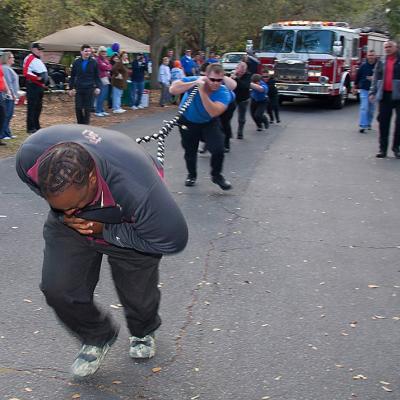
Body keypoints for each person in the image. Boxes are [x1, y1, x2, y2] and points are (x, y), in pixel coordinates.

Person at [15, 124, 188, 379]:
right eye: (61, 205)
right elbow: (60, 201)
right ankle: (97, 335)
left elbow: (172, 241)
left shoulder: (139, 190)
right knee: (58, 288)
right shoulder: (29, 157)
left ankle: (143, 330)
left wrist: (106, 230)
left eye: (75, 205)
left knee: (138, 295)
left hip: (128, 222)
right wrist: (65, 216)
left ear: (92, 179)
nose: (72, 211)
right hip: (72, 228)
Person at [169, 63, 237, 190]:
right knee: (190, 150)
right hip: (188, 121)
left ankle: (216, 176)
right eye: (212, 79)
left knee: (218, 149)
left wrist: (202, 92)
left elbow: (213, 111)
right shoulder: (196, 80)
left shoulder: (223, 92)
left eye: (219, 80)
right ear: (206, 76)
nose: (215, 83)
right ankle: (191, 175)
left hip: (208, 122)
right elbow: (173, 89)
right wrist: (194, 83)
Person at [370, 40, 400, 158]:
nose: (387, 49)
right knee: (383, 122)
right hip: (385, 95)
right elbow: (375, 77)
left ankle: (396, 147)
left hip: (398, 96)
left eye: (390, 46)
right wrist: (373, 92)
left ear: (396, 47)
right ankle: (382, 149)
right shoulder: (381, 61)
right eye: (386, 47)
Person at [69, 45, 102, 124]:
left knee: (87, 109)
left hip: (89, 88)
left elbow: (97, 76)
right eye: (86, 51)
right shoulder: (76, 62)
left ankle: (86, 125)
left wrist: (98, 87)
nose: (88, 53)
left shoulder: (94, 62)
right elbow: (72, 76)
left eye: (89, 51)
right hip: (79, 88)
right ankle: (80, 124)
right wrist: (71, 88)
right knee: (78, 107)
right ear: (81, 52)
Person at [23, 43, 48, 134]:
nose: (40, 51)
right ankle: (31, 127)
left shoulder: (38, 59)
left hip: (39, 86)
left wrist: (44, 83)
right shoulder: (30, 58)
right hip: (33, 85)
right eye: (38, 49)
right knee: (32, 107)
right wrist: (37, 78)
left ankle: (36, 125)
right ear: (33, 49)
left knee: (38, 107)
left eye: (41, 50)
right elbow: (26, 72)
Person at [354, 50, 377, 133]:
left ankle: (369, 123)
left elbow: (382, 77)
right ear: (367, 56)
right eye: (369, 55)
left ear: (375, 56)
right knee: (364, 107)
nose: (371, 57)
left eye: (372, 55)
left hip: (374, 91)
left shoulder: (378, 66)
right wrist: (355, 86)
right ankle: (363, 125)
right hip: (364, 89)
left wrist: (374, 78)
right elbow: (358, 76)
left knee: (371, 110)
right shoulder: (363, 66)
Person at [230, 61, 251, 139]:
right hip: (234, 98)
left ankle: (240, 133)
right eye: (240, 70)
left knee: (241, 117)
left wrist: (236, 79)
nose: (241, 72)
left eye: (243, 71)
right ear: (237, 68)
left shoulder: (248, 75)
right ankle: (228, 133)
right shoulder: (233, 74)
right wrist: (231, 78)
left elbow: (245, 86)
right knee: (228, 115)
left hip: (244, 99)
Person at [1, 51, 19, 139]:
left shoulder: (8, 68)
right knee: (6, 115)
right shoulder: (5, 69)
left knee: (9, 115)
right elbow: (8, 83)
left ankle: (7, 133)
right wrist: (12, 94)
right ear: (7, 59)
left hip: (11, 95)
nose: (13, 59)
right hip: (8, 96)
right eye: (12, 57)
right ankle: (3, 134)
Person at [95, 46, 112, 117]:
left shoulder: (105, 60)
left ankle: (102, 110)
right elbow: (103, 67)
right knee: (101, 95)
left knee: (104, 95)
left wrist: (107, 66)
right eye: (102, 51)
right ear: (99, 52)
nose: (104, 53)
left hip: (106, 78)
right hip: (100, 78)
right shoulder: (97, 59)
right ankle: (98, 111)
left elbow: (110, 67)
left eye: (105, 51)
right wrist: (107, 66)